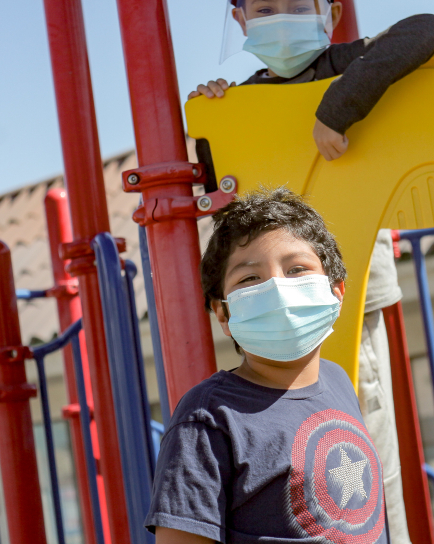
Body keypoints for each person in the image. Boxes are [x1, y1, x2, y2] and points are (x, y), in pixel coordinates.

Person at [188, 0, 434, 543]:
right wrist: (210, 122)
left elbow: (426, 28)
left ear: (329, 14)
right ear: (240, 19)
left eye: (297, 5)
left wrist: (340, 106)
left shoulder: (346, 65)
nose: (281, 20)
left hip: (348, 280)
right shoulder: (244, 100)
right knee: (294, 437)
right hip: (274, 299)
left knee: (365, 428)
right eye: (265, 8)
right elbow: (212, 185)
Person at [146, 187, 387, 544]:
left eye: (297, 269)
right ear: (223, 313)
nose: (277, 288)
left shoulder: (338, 381)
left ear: (336, 292)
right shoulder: (208, 417)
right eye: (249, 279)